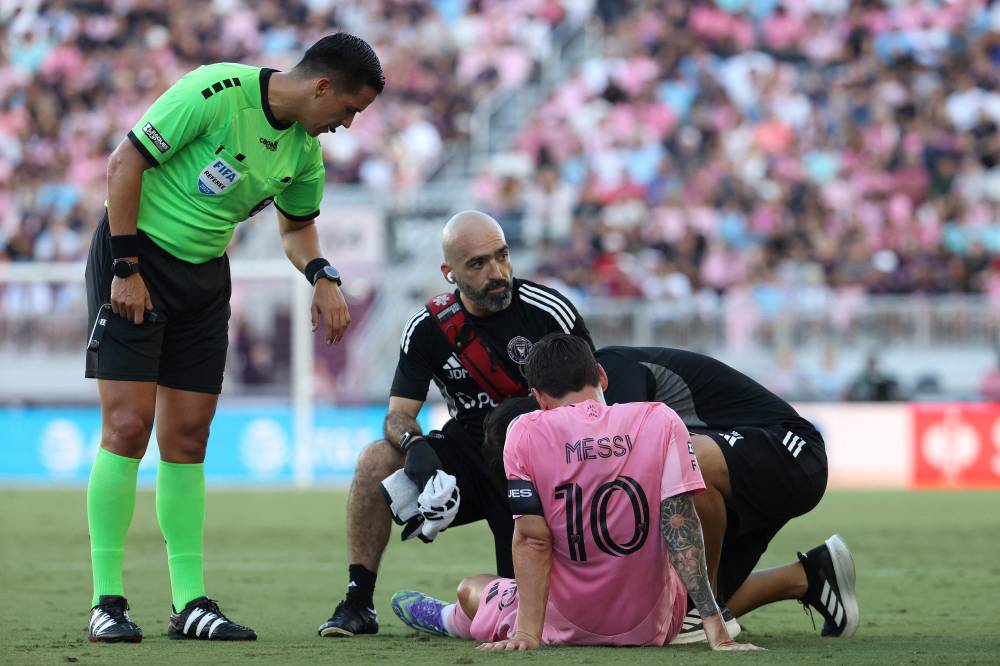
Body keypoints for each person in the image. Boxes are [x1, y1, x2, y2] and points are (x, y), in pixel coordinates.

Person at [84, 33, 384, 643]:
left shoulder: (305, 155)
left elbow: (298, 230)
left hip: (204, 278)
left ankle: (189, 603)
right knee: (128, 426)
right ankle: (105, 601)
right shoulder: (215, 91)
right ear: (322, 87)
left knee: (189, 436)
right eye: (349, 109)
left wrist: (322, 275)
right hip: (135, 261)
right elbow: (125, 164)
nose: (347, 124)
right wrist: (125, 268)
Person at [317, 211, 593, 638]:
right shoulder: (427, 327)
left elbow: (595, 404)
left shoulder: (548, 312)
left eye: (501, 257)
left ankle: (452, 618)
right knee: (375, 459)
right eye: (478, 264)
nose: (497, 272)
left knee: (528, 609)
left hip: (539, 465)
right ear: (449, 273)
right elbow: (398, 415)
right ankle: (358, 603)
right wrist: (416, 449)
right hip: (467, 457)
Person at [390, 334, 763, 650]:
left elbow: (532, 541)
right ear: (600, 375)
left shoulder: (525, 431)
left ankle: (450, 619)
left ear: (537, 396)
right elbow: (680, 523)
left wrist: (527, 634)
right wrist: (715, 629)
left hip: (564, 621)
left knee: (473, 588)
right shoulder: (659, 419)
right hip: (655, 624)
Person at [594, 345, 856, 641]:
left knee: (686, 461)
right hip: (735, 471)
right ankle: (809, 577)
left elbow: (625, 476)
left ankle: (703, 610)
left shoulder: (612, 369)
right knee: (667, 617)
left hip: (790, 448)